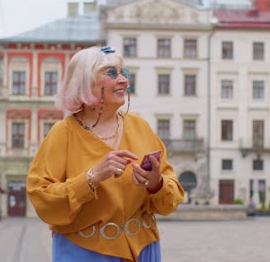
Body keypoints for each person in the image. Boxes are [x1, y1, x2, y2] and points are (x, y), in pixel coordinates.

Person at [26, 46, 184, 262]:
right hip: (84, 252)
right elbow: (41, 198)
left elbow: (171, 198)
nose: (123, 80)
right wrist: (91, 177)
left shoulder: (140, 127)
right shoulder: (63, 133)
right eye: (112, 73)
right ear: (84, 81)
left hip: (143, 249)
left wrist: (157, 183)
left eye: (124, 73)